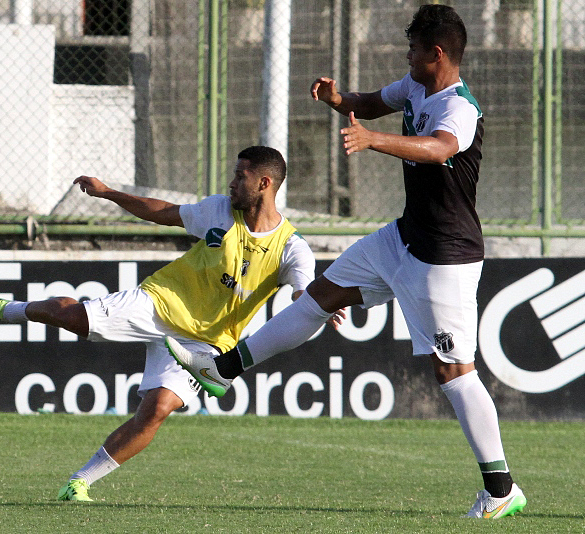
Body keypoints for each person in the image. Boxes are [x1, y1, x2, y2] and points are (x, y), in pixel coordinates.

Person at [165, 5, 526, 519]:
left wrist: (375, 140)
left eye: (414, 49)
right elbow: (370, 103)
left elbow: (437, 148)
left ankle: (501, 489)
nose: (407, 56)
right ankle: (223, 369)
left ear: (437, 53)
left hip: (443, 256)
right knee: (319, 297)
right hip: (401, 238)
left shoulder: (460, 110)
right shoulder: (415, 86)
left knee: (453, 371)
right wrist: (339, 100)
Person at [0, 146, 337, 502]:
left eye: (240, 176)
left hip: (204, 343)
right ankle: (2, 308)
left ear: (264, 183)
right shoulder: (219, 209)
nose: (232, 183)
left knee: (156, 410)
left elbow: (303, 291)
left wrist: (318, 306)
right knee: (71, 317)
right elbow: (165, 212)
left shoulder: (291, 247)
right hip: (158, 302)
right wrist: (108, 193)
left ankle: (79, 482)